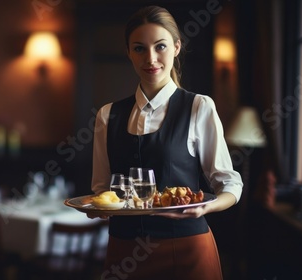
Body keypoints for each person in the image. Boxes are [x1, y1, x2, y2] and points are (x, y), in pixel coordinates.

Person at [89, 5, 243, 280]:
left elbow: (230, 184)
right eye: (139, 48)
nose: (150, 58)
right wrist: (97, 208)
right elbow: (101, 189)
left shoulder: (199, 107)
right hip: (124, 252)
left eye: (160, 46)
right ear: (128, 52)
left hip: (186, 249)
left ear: (176, 47)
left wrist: (206, 207)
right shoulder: (107, 115)